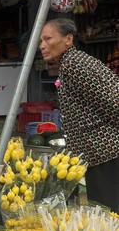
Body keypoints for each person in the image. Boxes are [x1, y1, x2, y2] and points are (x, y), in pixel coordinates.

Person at [40, 17, 119, 211]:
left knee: (107, 211)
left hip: (104, 150)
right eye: (41, 41)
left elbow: (114, 101)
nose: (42, 46)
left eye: (48, 39)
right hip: (99, 151)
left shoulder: (74, 64)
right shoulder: (72, 62)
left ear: (68, 39)